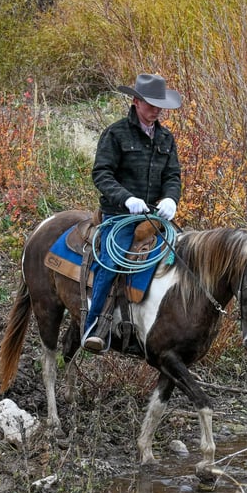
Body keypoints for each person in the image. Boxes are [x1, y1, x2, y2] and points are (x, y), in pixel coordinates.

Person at [81, 73, 183, 353]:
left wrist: (171, 198)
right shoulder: (115, 134)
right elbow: (101, 173)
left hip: (154, 216)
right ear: (136, 102)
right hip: (120, 215)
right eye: (151, 104)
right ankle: (94, 326)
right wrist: (126, 199)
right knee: (110, 264)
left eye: (160, 105)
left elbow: (172, 176)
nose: (156, 110)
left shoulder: (165, 138)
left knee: (183, 256)